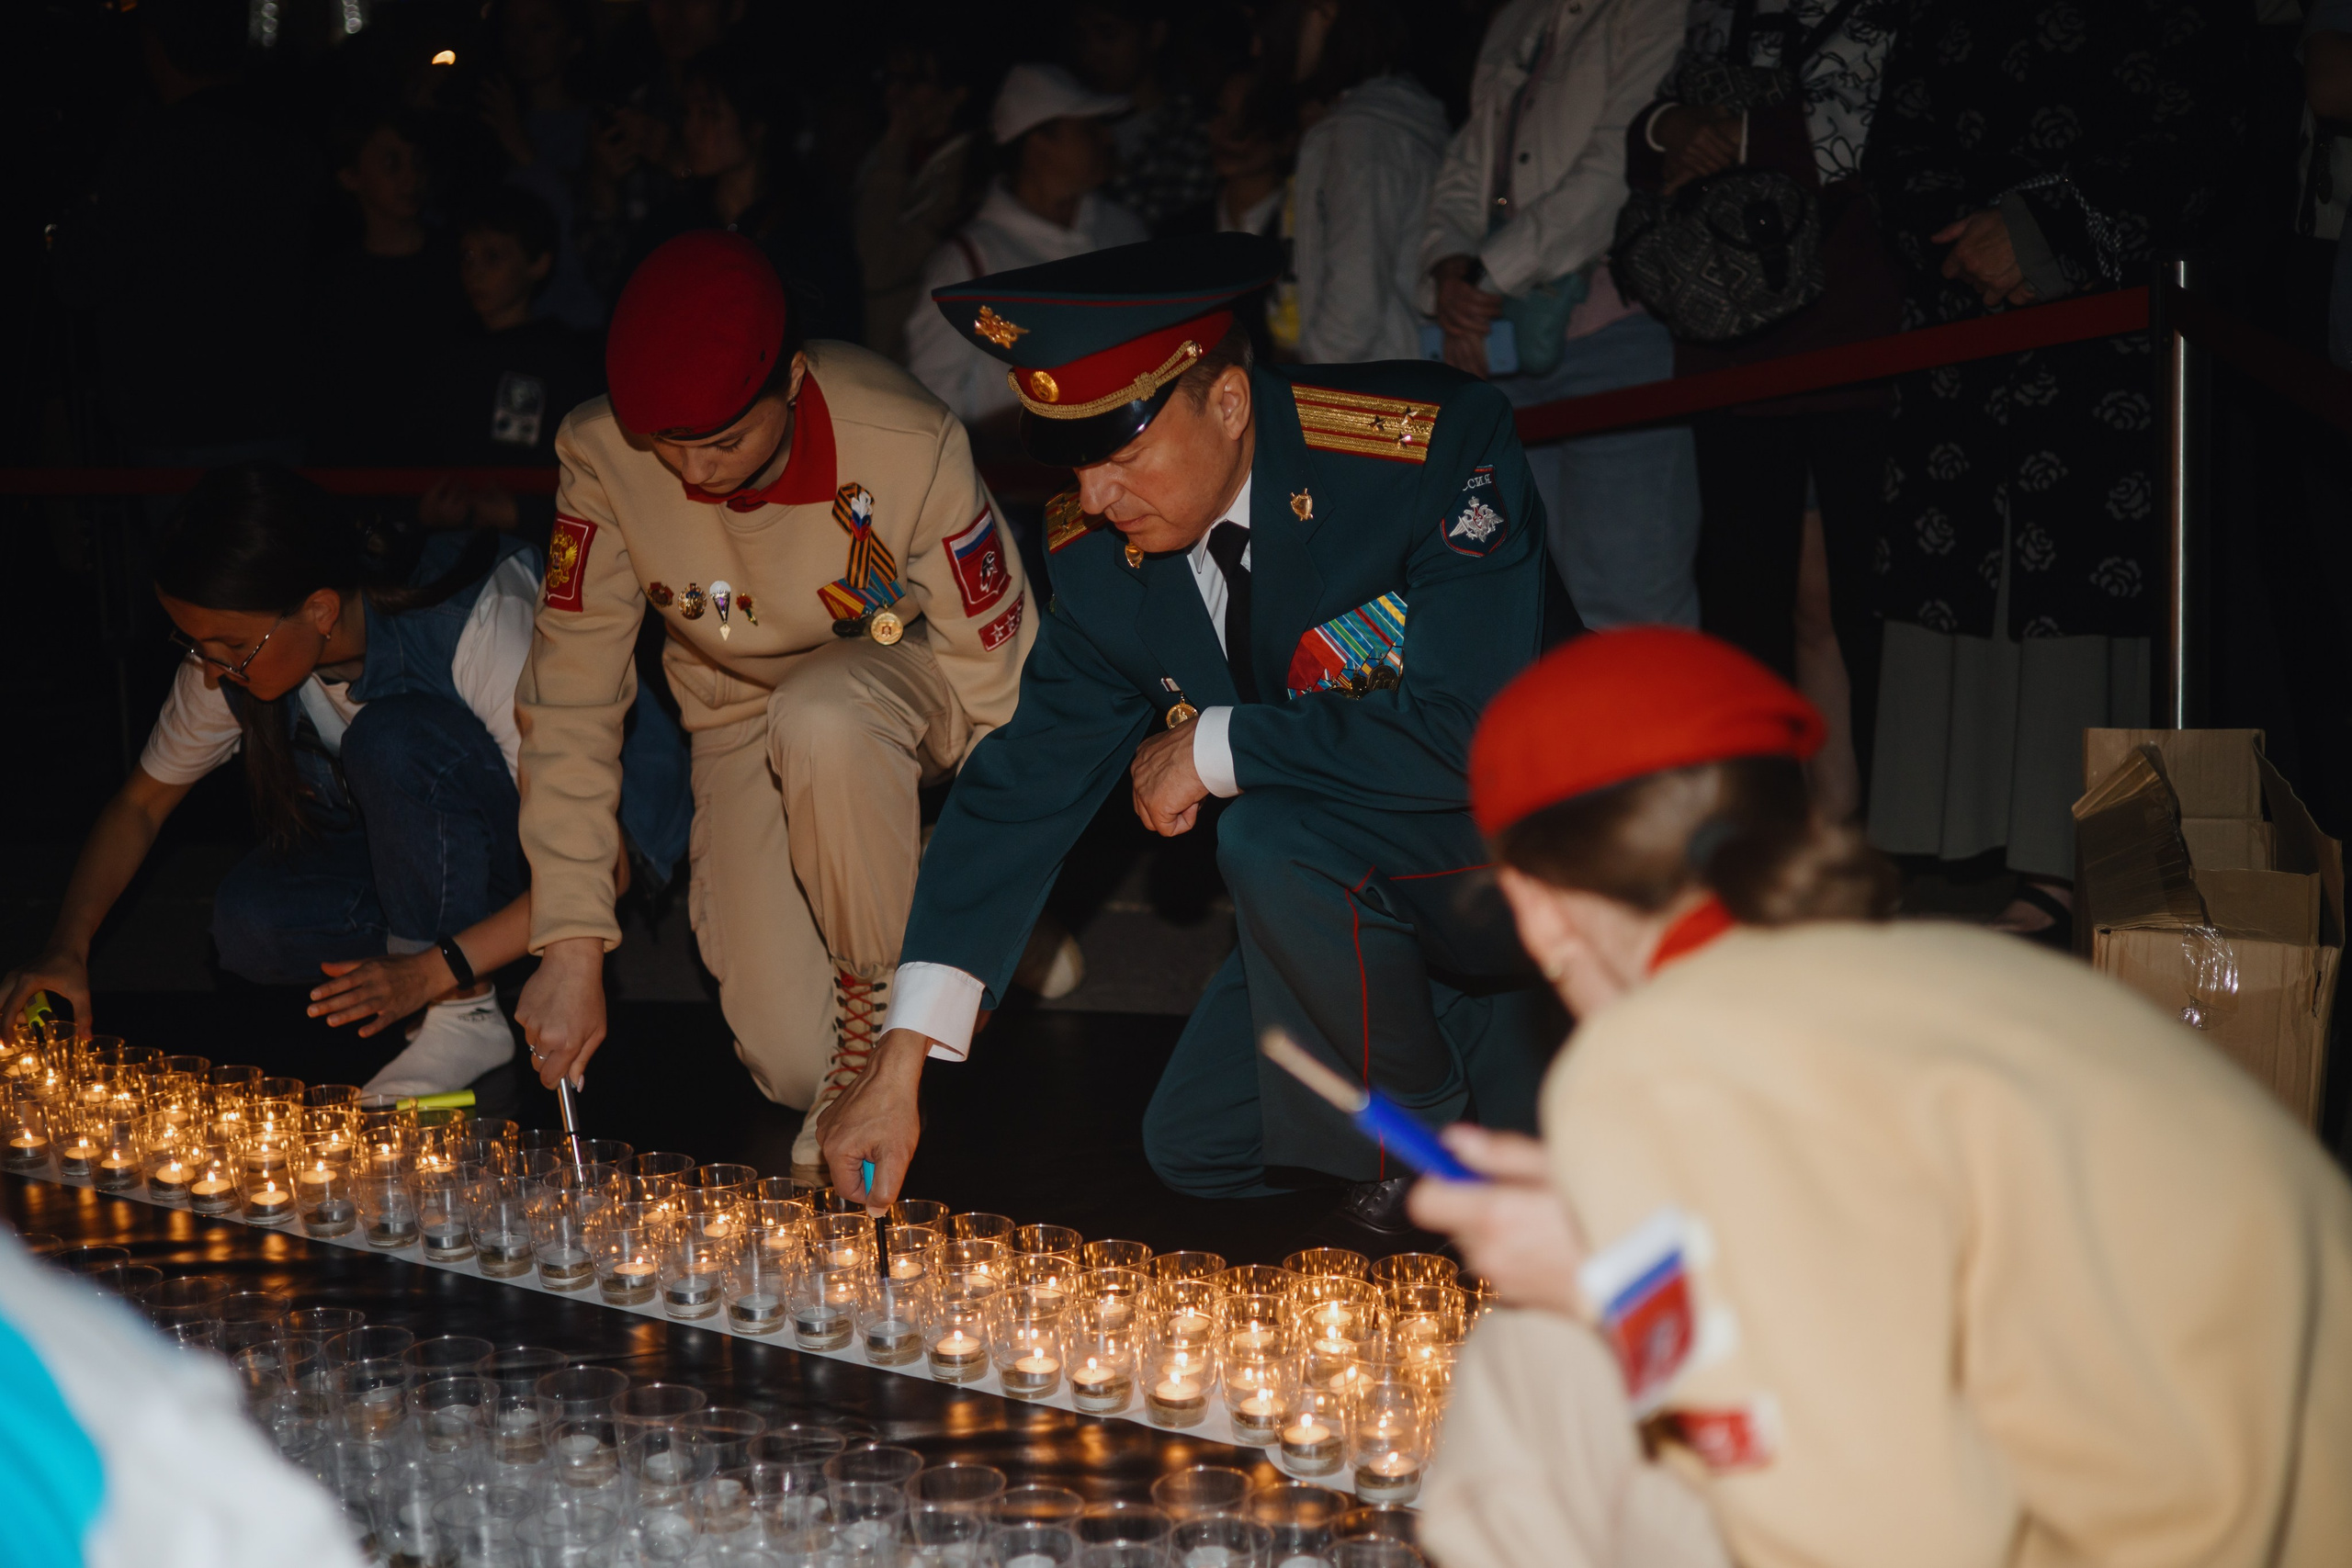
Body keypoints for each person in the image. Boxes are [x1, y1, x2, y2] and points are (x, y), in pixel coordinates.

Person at [1404, 626, 2352, 1568]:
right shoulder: (1973, 970)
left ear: (1531, 901)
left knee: (1537, 1361)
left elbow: (1892, 1536)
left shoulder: (1657, 1054)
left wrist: (1611, 1280)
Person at [818, 232, 1558, 1231]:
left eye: (1120, 455)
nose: (1091, 500)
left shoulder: (1421, 450)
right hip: (1360, 888)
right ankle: (1464, 1042)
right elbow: (1023, 787)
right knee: (1199, 1143)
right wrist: (896, 1061)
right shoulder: (1100, 552)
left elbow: (1470, 732)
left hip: (1527, 850)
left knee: (1268, 831)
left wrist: (1215, 748)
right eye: (1074, 464)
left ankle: (1433, 1166)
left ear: (1229, 401)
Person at [511, 231, 1036, 1179]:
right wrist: (572, 943)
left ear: (792, 381)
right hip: (734, 715)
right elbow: (570, 696)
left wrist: (1000, 902)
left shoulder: (904, 440)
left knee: (825, 713)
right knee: (793, 1068)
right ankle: (900, 906)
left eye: (721, 440)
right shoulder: (600, 451)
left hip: (902, 685)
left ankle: (898, 988)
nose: (694, 473)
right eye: (665, 443)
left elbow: (999, 692)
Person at [1860, 0, 2247, 942]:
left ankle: (2080, 873)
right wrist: (1974, 243)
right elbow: (1901, 130)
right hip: (1962, 342)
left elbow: (2198, 139)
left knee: (2091, 592)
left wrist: (2037, 236)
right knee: (1971, 588)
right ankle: (1983, 853)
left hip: (2108, 341)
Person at [0, 468, 563, 1095]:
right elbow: (140, 805)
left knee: (388, 739)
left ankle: (463, 1010)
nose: (212, 671)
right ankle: (434, 968)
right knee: (250, 923)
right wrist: (66, 946)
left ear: (320, 608)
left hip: (536, 859)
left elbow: (601, 864)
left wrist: (435, 970)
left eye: (229, 646)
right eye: (195, 644)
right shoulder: (232, 659)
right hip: (431, 866)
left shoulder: (481, 621)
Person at [1625, 0, 1905, 817]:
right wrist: (1676, 127)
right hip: (1728, 334)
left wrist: (1731, 139)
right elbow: (1645, 129)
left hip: (1848, 327)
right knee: (1756, 594)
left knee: (1838, 595)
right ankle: (1788, 826)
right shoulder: (1715, 9)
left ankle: (1847, 821)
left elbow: (1861, 132)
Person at [1419, 0, 1702, 631]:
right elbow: (1469, 162)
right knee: (1532, 610)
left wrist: (1481, 279)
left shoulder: (1652, 10)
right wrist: (1449, 266)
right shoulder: (1516, 16)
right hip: (1506, 340)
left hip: (1617, 321)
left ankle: (1663, 733)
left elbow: (1617, 166)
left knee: (1632, 604)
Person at [902, 63, 1149, 445]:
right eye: (1088, 127)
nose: (1107, 138)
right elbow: (929, 404)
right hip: (1018, 488)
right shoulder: (967, 263)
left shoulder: (1124, 229)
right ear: (1037, 141)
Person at [1261, 0, 1449, 364]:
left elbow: (1354, 303)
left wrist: (1305, 390)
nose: (1259, 46)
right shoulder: (1381, 120)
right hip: (1391, 380)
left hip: (1372, 397)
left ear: (1325, 11)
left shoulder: (1364, 134)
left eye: (1266, 22)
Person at [420, 187, 606, 542]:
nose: (474, 271)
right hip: (447, 546)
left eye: (493, 257)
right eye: (467, 256)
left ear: (538, 263)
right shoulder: (447, 355)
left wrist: (524, 514)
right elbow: (420, 455)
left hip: (533, 553)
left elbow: (592, 478)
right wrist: (427, 509)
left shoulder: (565, 358)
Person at [854, 23, 998, 364]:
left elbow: (877, 266)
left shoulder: (969, 173)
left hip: (920, 360)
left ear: (956, 93)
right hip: (876, 353)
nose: (894, 94)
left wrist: (893, 149)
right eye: (889, 79)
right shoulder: (887, 155)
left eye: (912, 82)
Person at [1074, 0, 1222, 234]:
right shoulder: (1069, 131)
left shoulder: (1197, 130)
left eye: (1108, 33)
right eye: (1081, 36)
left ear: (1155, 34)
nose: (1092, 51)